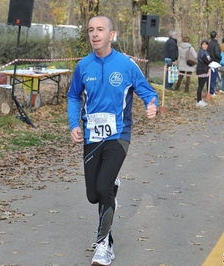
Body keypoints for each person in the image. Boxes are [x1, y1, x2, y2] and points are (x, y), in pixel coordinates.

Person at [67, 15, 159, 265]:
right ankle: (111, 187)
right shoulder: (83, 66)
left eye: (100, 30)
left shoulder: (126, 65)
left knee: (103, 188)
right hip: (92, 136)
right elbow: (74, 96)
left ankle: (103, 245)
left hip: (118, 135)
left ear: (112, 34)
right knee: (93, 195)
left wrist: (152, 106)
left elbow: (148, 92)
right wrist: (75, 124)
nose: (94, 34)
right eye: (90, 30)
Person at [196, 39, 212, 107]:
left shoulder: (207, 52)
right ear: (201, 45)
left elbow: (210, 59)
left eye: (206, 44)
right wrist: (211, 63)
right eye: (203, 44)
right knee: (200, 85)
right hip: (201, 69)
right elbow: (206, 60)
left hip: (205, 70)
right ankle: (198, 100)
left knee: (202, 86)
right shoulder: (201, 52)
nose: (205, 46)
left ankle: (200, 99)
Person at [208, 31, 222, 96]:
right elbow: (217, 53)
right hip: (215, 62)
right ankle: (212, 91)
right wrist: (220, 57)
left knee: (209, 78)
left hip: (209, 62)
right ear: (216, 36)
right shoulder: (216, 44)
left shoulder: (209, 43)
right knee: (213, 78)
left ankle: (209, 90)